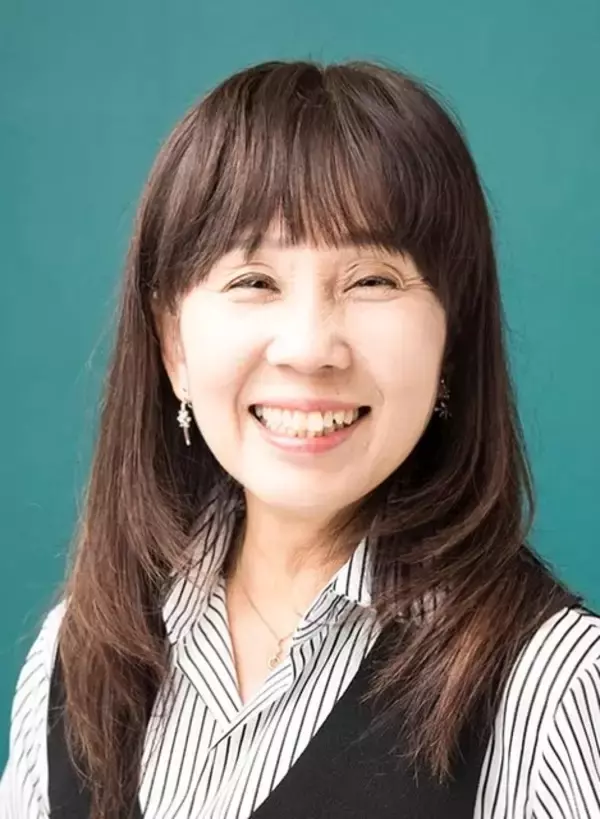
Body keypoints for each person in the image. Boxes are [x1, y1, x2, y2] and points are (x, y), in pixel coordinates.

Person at [1, 59, 599, 819]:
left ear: (451, 337)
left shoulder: (555, 691)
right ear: (172, 343)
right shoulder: (73, 657)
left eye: (372, 280)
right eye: (254, 281)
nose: (311, 348)